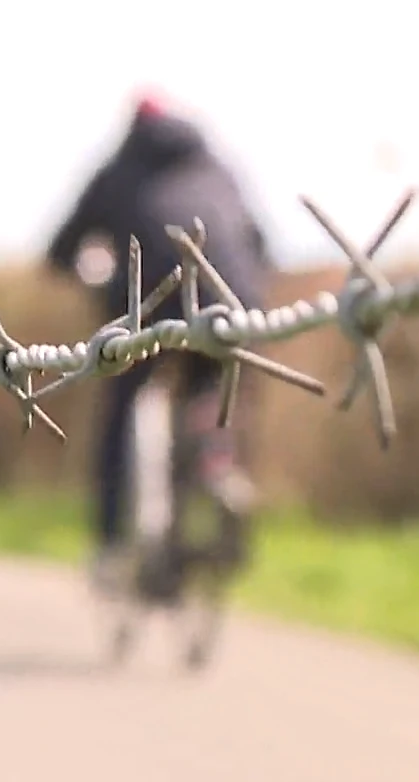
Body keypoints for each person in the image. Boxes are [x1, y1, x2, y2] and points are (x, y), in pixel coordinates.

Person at [42, 91, 272, 592]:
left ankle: (109, 545)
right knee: (209, 387)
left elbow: (60, 248)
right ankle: (216, 463)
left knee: (123, 410)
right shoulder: (217, 165)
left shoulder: (118, 169)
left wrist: (91, 277)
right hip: (231, 302)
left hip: (149, 304)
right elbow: (261, 242)